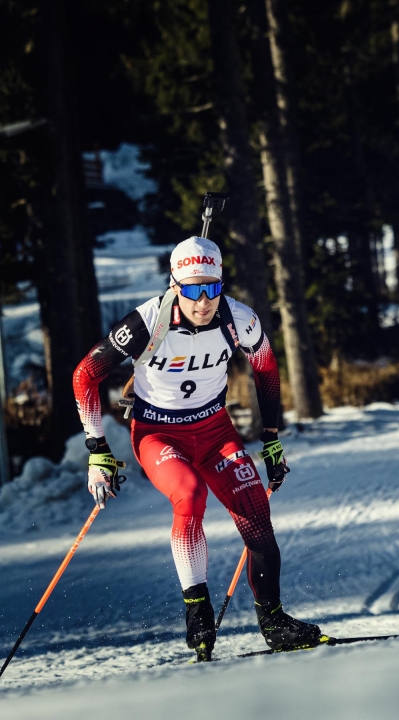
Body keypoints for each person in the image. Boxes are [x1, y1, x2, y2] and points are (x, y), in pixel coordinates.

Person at [72, 236, 322, 659]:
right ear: (174, 285)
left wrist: (272, 438)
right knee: (189, 495)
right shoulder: (147, 321)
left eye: (211, 287)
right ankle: (197, 609)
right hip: (157, 434)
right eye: (191, 289)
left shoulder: (238, 319)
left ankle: (275, 622)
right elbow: (84, 376)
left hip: (214, 431)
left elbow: (266, 368)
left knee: (257, 519)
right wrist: (97, 450)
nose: (202, 300)